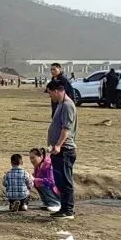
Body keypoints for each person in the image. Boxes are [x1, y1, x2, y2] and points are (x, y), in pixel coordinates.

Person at [46, 80, 78, 219]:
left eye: (50, 93)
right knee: (59, 180)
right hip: (57, 150)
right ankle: (63, 208)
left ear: (56, 91)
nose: (50, 96)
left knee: (65, 180)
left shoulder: (67, 105)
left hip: (65, 150)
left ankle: (68, 210)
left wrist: (58, 145)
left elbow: (66, 129)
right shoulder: (60, 104)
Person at [29, 147, 61, 213]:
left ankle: (55, 203)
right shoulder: (38, 164)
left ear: (40, 156)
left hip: (57, 190)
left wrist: (35, 179)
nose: (31, 160)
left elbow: (51, 181)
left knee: (40, 183)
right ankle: (47, 202)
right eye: (30, 158)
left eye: (33, 158)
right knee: (36, 183)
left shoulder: (48, 164)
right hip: (53, 189)